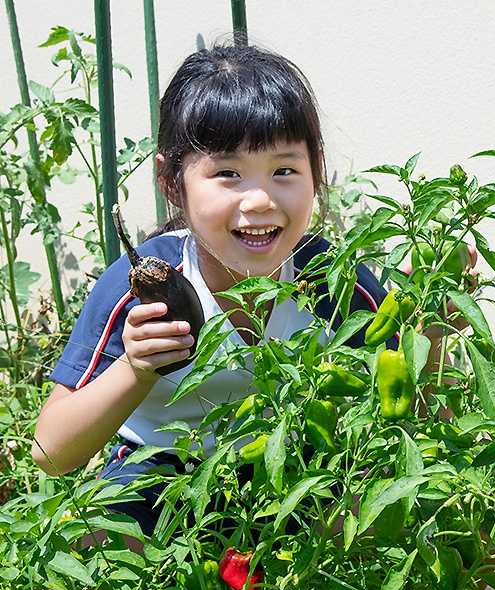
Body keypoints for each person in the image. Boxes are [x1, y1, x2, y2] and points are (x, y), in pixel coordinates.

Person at [31, 44, 390, 537]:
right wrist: (135, 369)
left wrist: (433, 321)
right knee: (106, 537)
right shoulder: (141, 283)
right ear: (171, 182)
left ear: (316, 170)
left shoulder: (334, 278)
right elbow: (52, 451)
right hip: (159, 483)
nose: (260, 199)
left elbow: (412, 408)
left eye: (284, 170)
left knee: (368, 518)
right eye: (228, 174)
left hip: (295, 481)